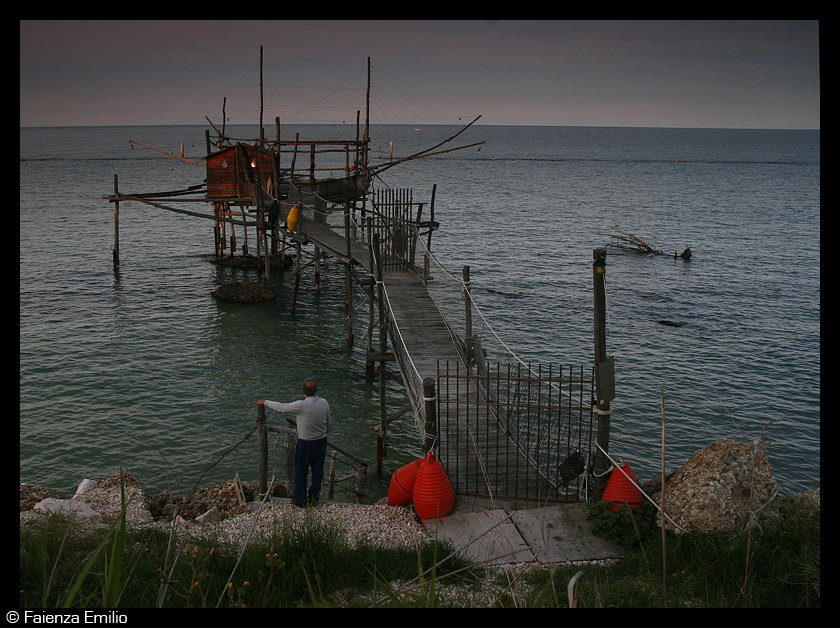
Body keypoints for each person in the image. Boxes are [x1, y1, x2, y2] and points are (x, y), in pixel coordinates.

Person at [256, 379, 331, 507]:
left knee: (301, 473)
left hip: (305, 443)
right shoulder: (324, 403)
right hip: (321, 441)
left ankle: (301, 501)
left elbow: (282, 407)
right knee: (317, 472)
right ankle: (314, 499)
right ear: (316, 390)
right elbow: (328, 424)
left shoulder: (301, 405)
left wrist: (265, 402)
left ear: (303, 391)